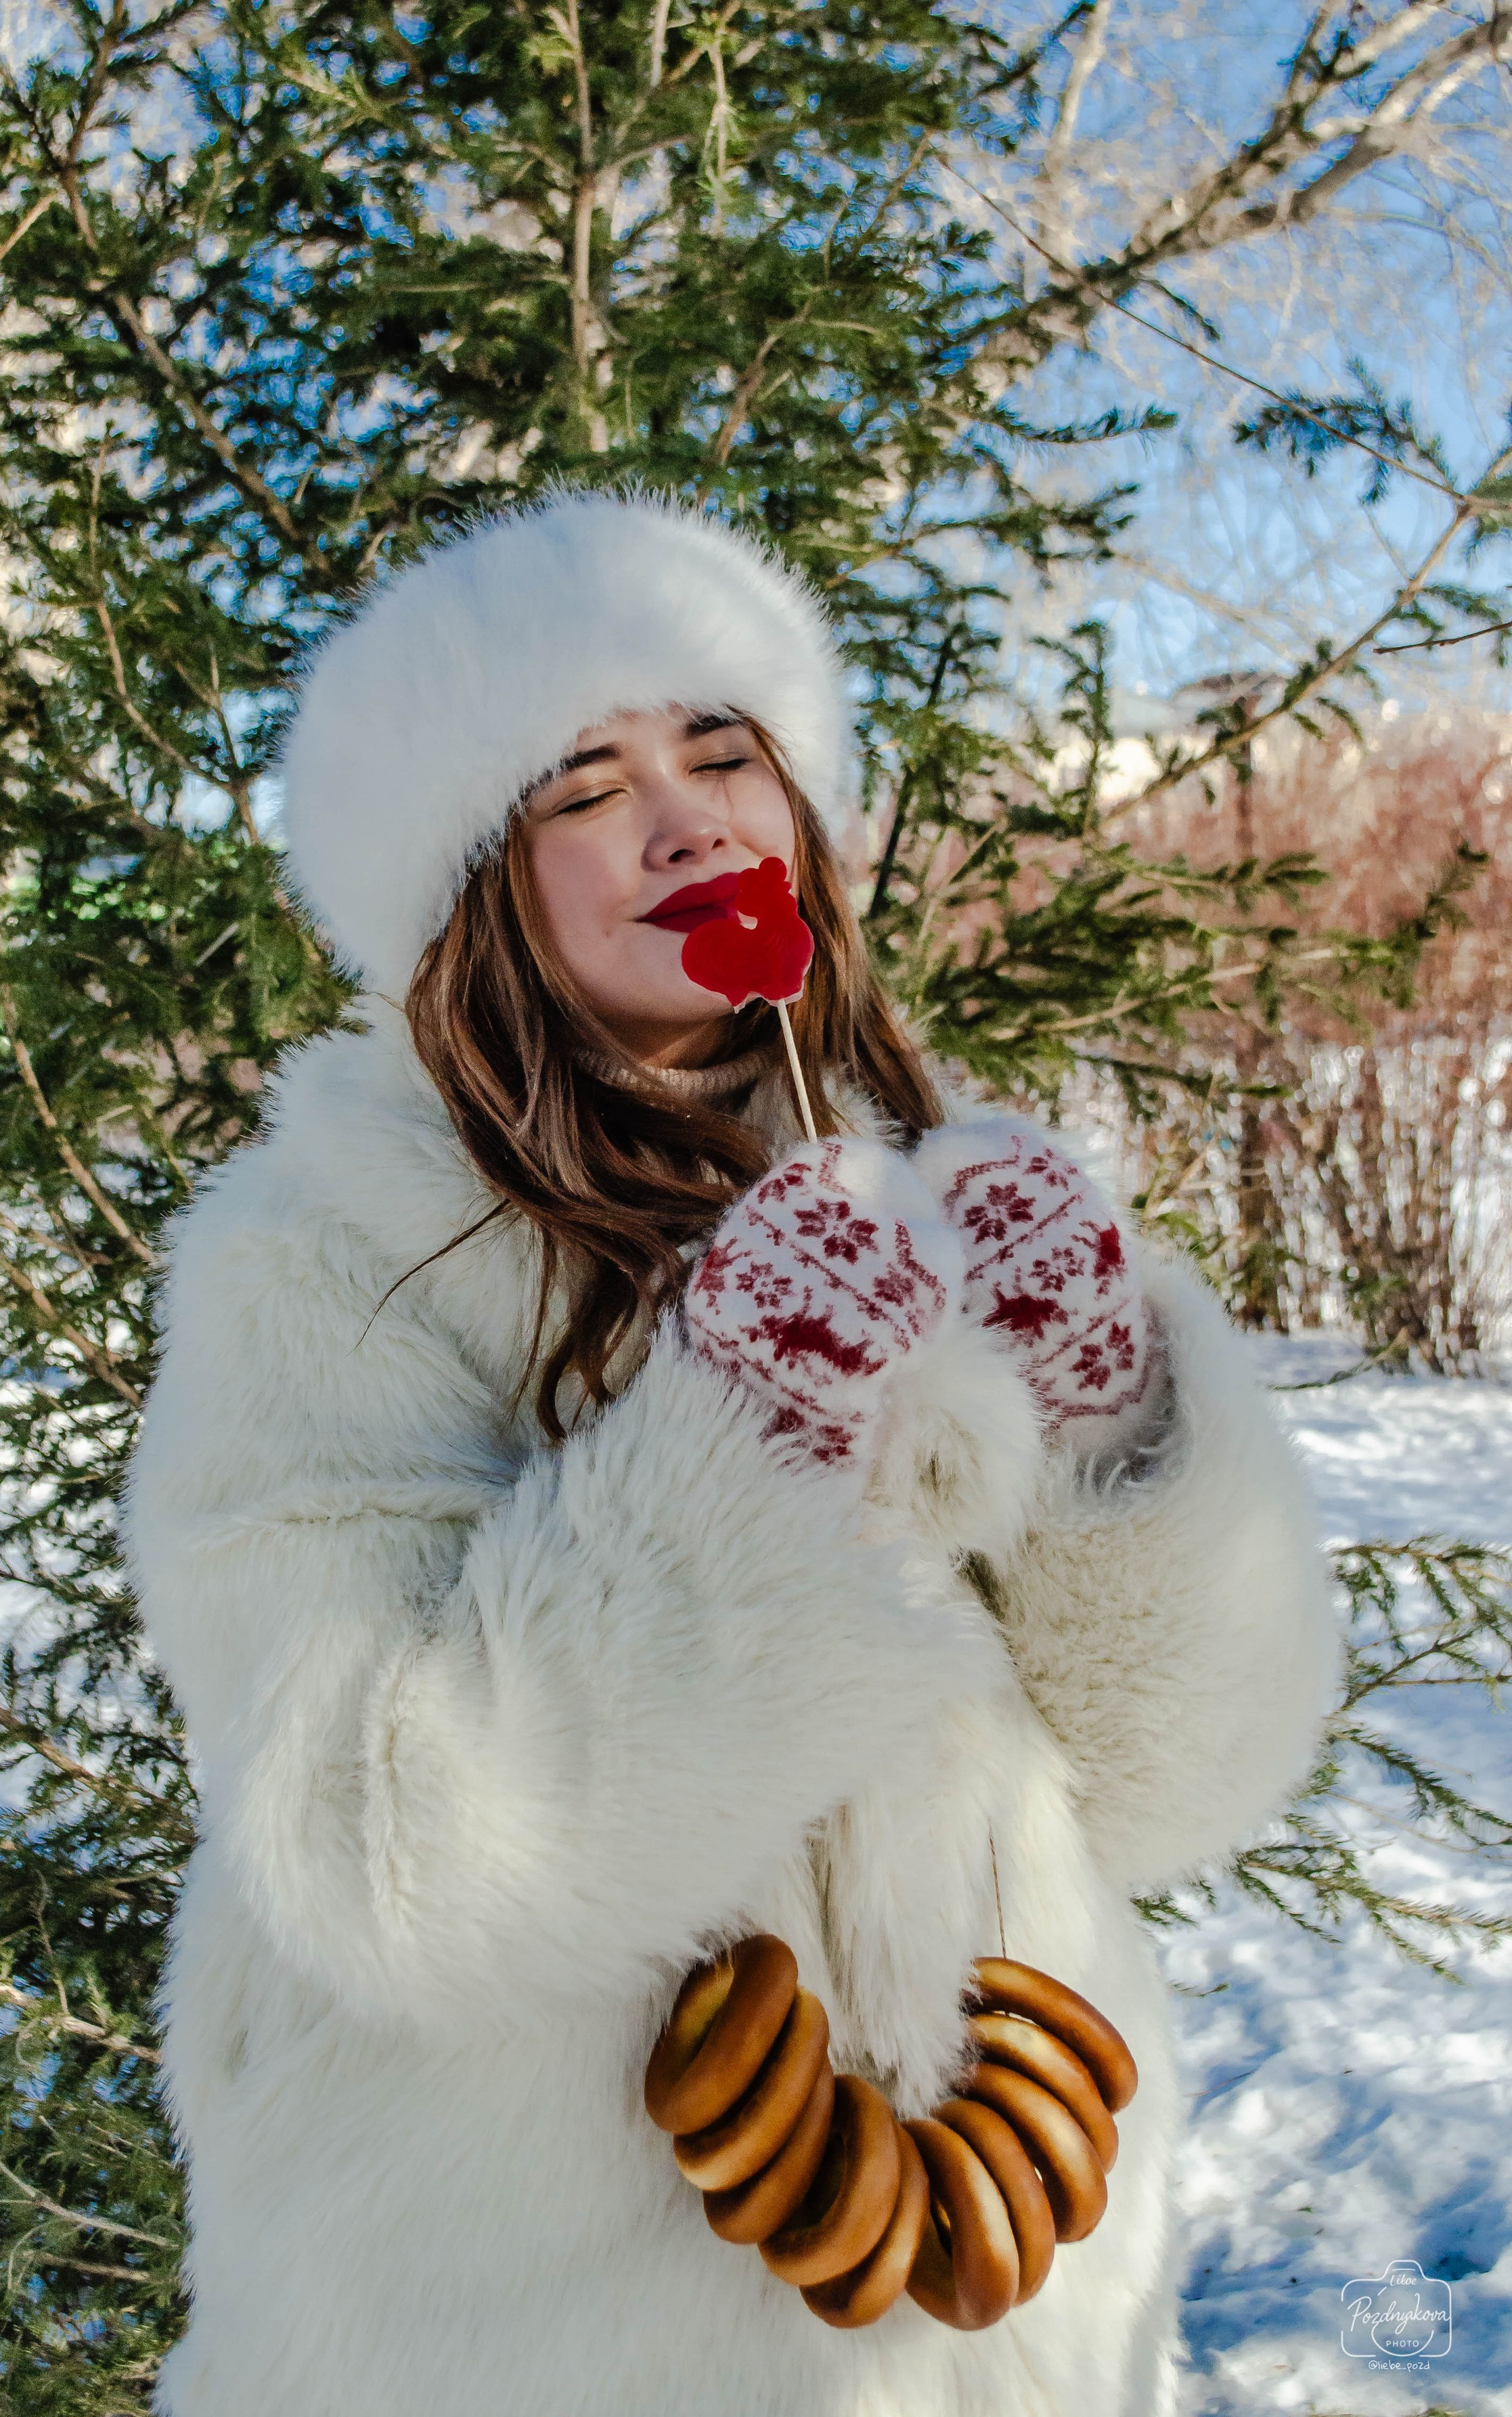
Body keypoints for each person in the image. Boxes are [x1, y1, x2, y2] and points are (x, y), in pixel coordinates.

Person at [122, 492, 1339, 2417]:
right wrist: (739, 1444)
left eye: (721, 753)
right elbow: (374, 1848)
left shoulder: (929, 1186)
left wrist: (1112, 1424)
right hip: (514, 2329)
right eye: (584, 785)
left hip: (1001, 2286)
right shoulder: (320, 1256)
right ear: (467, 885)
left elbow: (1175, 1779)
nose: (685, 823)